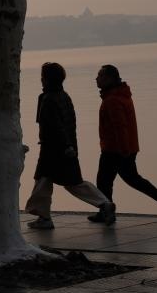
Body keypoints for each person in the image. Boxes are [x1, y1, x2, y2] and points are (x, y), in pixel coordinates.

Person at [24, 62, 115, 229]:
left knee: (45, 181)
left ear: (47, 79)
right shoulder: (64, 96)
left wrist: (65, 146)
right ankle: (103, 202)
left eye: (43, 77)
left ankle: (44, 218)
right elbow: (70, 123)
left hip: (53, 149)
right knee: (70, 182)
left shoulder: (48, 99)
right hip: (66, 147)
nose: (41, 80)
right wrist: (70, 146)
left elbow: (55, 126)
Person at [88, 64, 157, 223]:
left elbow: (120, 126)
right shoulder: (121, 95)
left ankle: (106, 213)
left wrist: (123, 150)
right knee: (132, 179)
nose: (97, 79)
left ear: (109, 79)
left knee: (104, 182)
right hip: (126, 147)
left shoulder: (112, 100)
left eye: (100, 76)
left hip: (116, 149)